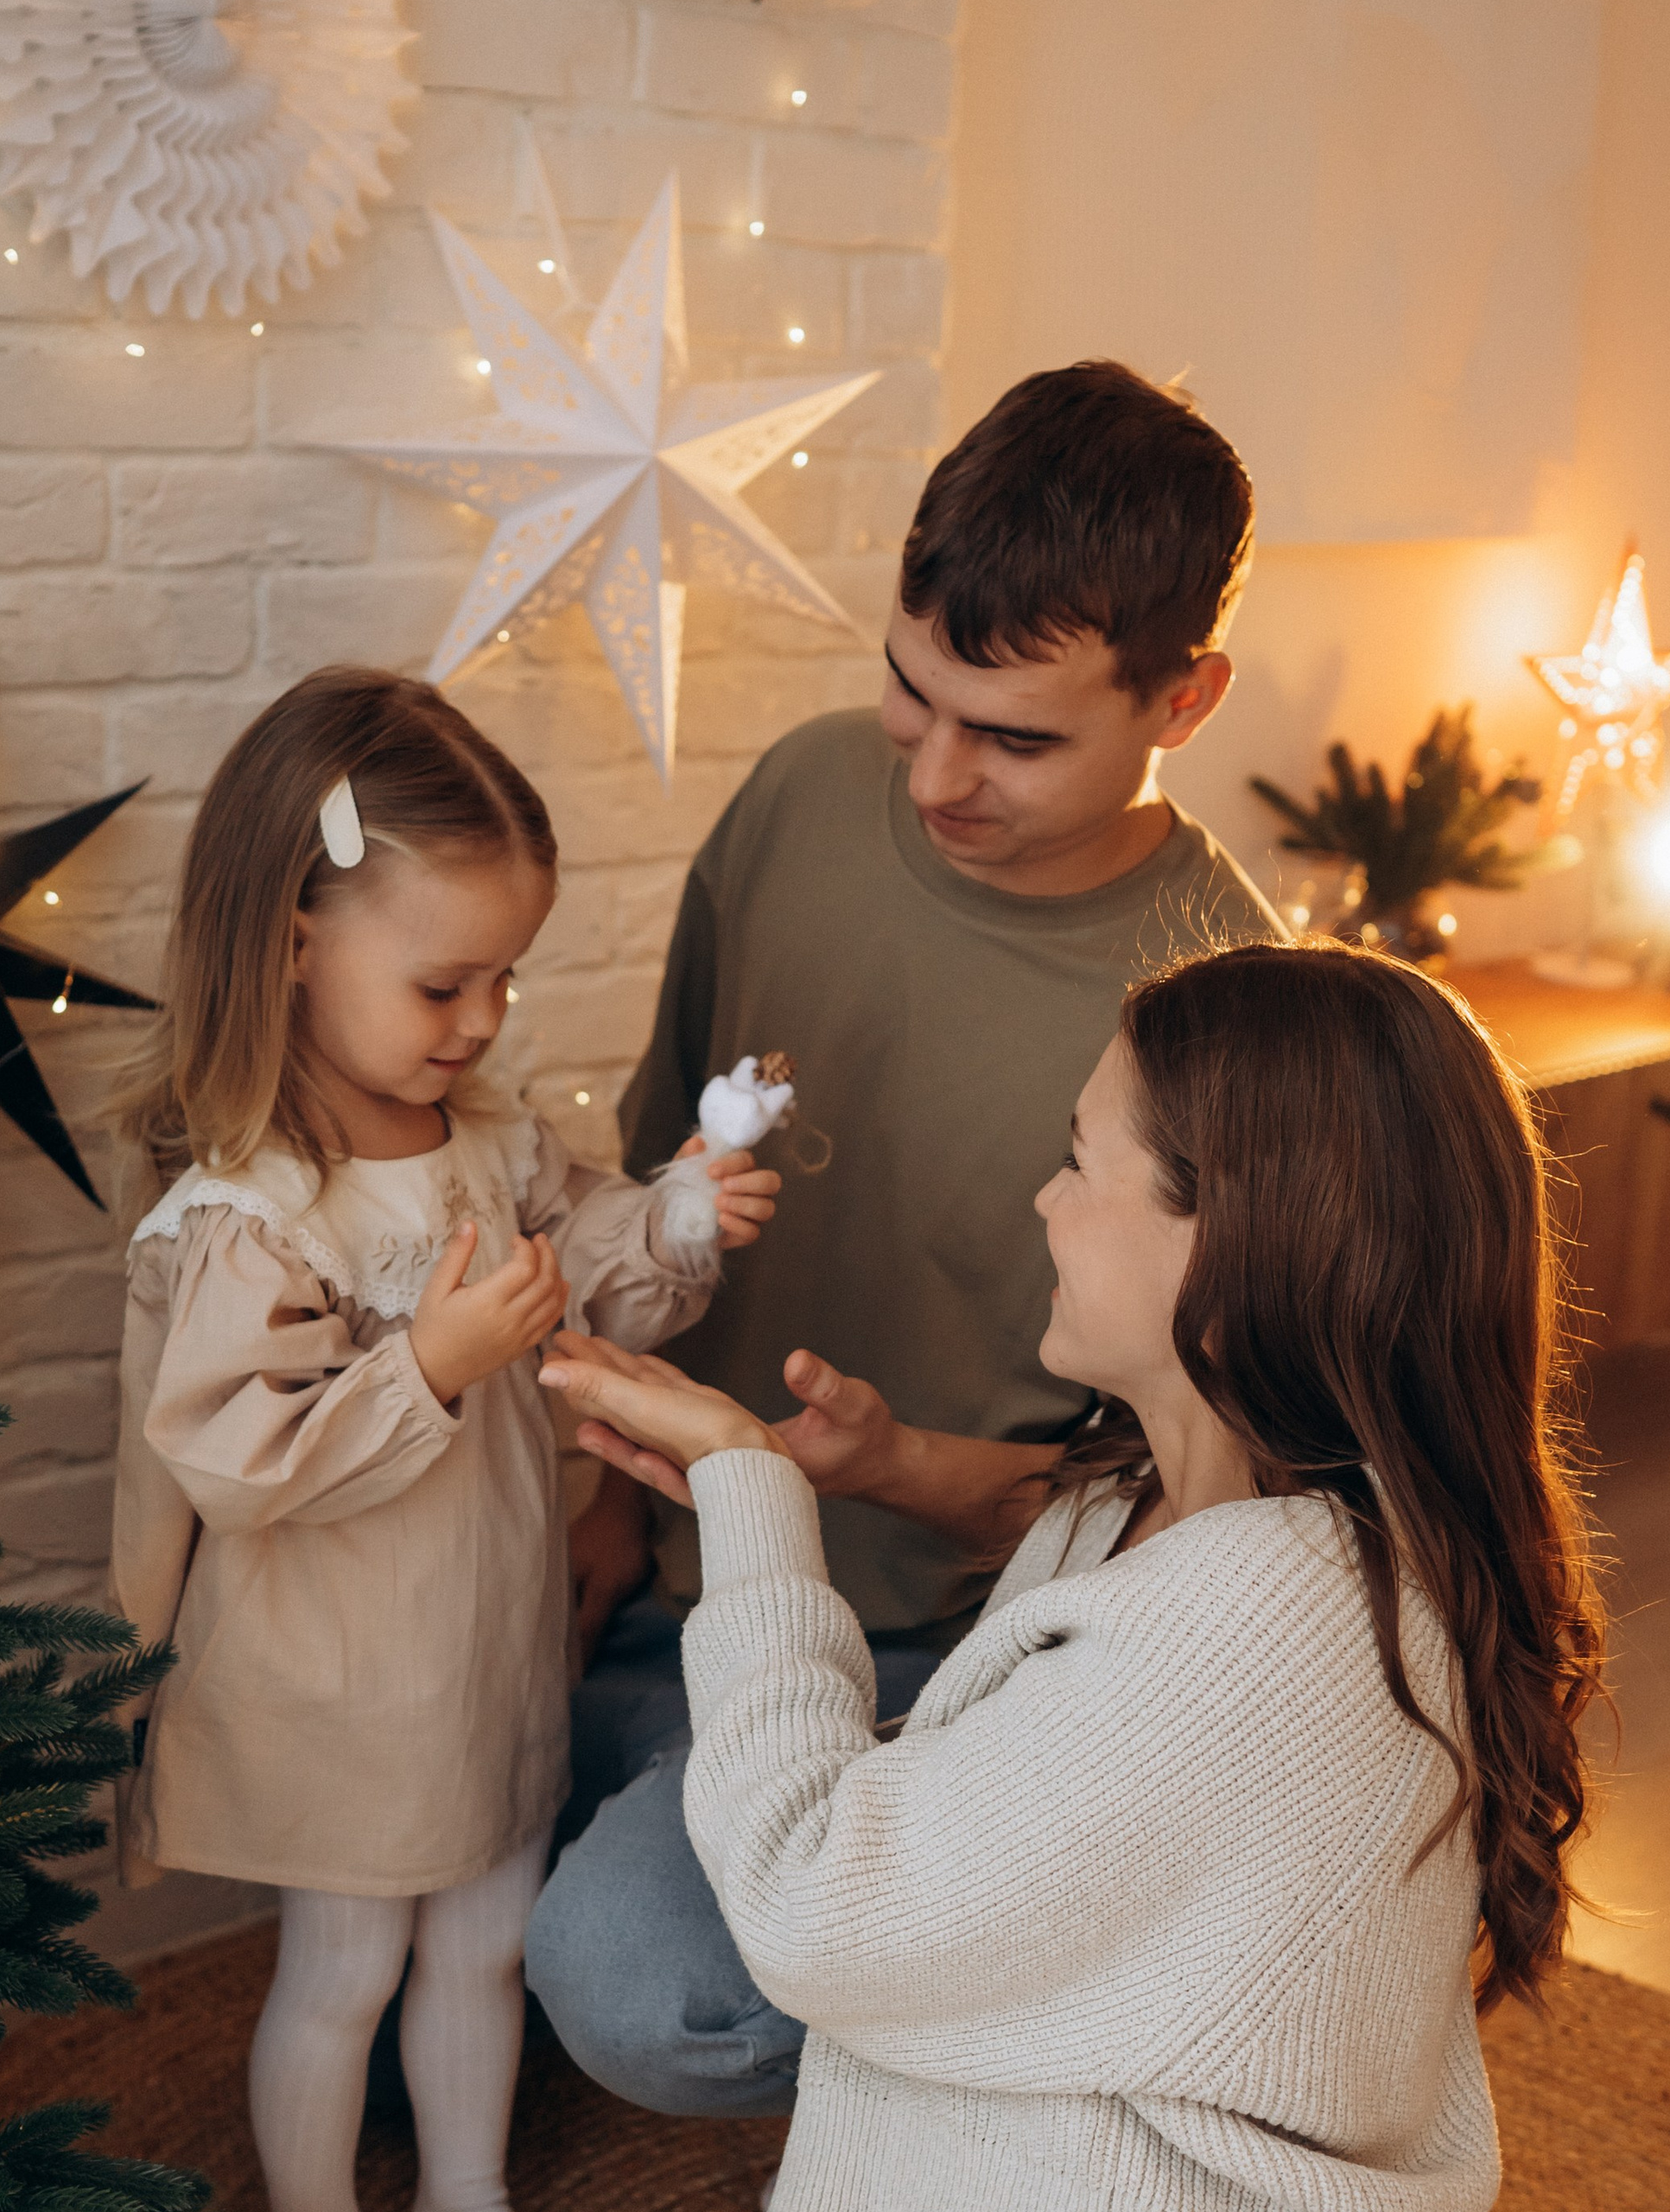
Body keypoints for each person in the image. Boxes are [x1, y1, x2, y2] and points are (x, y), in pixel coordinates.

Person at [539, 940, 1607, 2212]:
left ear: (1232, 1235)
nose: (1044, 1201)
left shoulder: (1253, 1637)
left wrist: (747, 1495)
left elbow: (812, 1907)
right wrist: (805, 1472)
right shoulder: (1187, 1502)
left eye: (1079, 1162)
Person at [530, 360, 1285, 2113]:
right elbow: (645, 1186)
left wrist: (900, 1468)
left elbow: (1204, 1523)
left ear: (1184, 697)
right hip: (662, 1571)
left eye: (1014, 737)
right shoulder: (799, 793)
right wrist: (587, 1504)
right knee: (378, 1819)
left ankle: (997, 1959)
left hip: (943, 1656)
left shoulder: (1228, 1018)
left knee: (637, 1991)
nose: (936, 771)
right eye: (907, 690)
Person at [106, 669, 780, 2212]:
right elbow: (236, 1457)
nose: (478, 1023)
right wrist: (429, 1363)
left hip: (478, 1643)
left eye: (504, 984)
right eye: (441, 986)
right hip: (339, 1676)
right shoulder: (254, 1211)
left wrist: (675, 1205)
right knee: (344, 1968)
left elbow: (589, 1259)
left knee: (487, 1939)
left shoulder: (492, 1141)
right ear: (290, 945)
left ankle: (467, 2193)